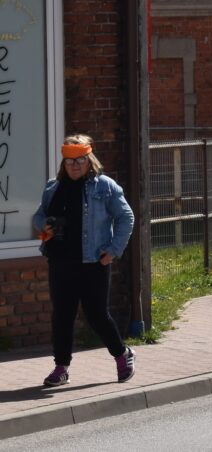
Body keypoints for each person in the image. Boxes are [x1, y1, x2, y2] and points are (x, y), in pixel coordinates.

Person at [33, 135, 136, 387]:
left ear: (89, 160)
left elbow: (126, 217)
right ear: (63, 163)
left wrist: (113, 250)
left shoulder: (105, 186)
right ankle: (61, 367)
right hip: (60, 261)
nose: (74, 166)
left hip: (93, 261)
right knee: (62, 315)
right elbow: (38, 216)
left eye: (80, 160)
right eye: (69, 161)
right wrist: (45, 226)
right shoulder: (53, 187)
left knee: (97, 314)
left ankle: (122, 355)